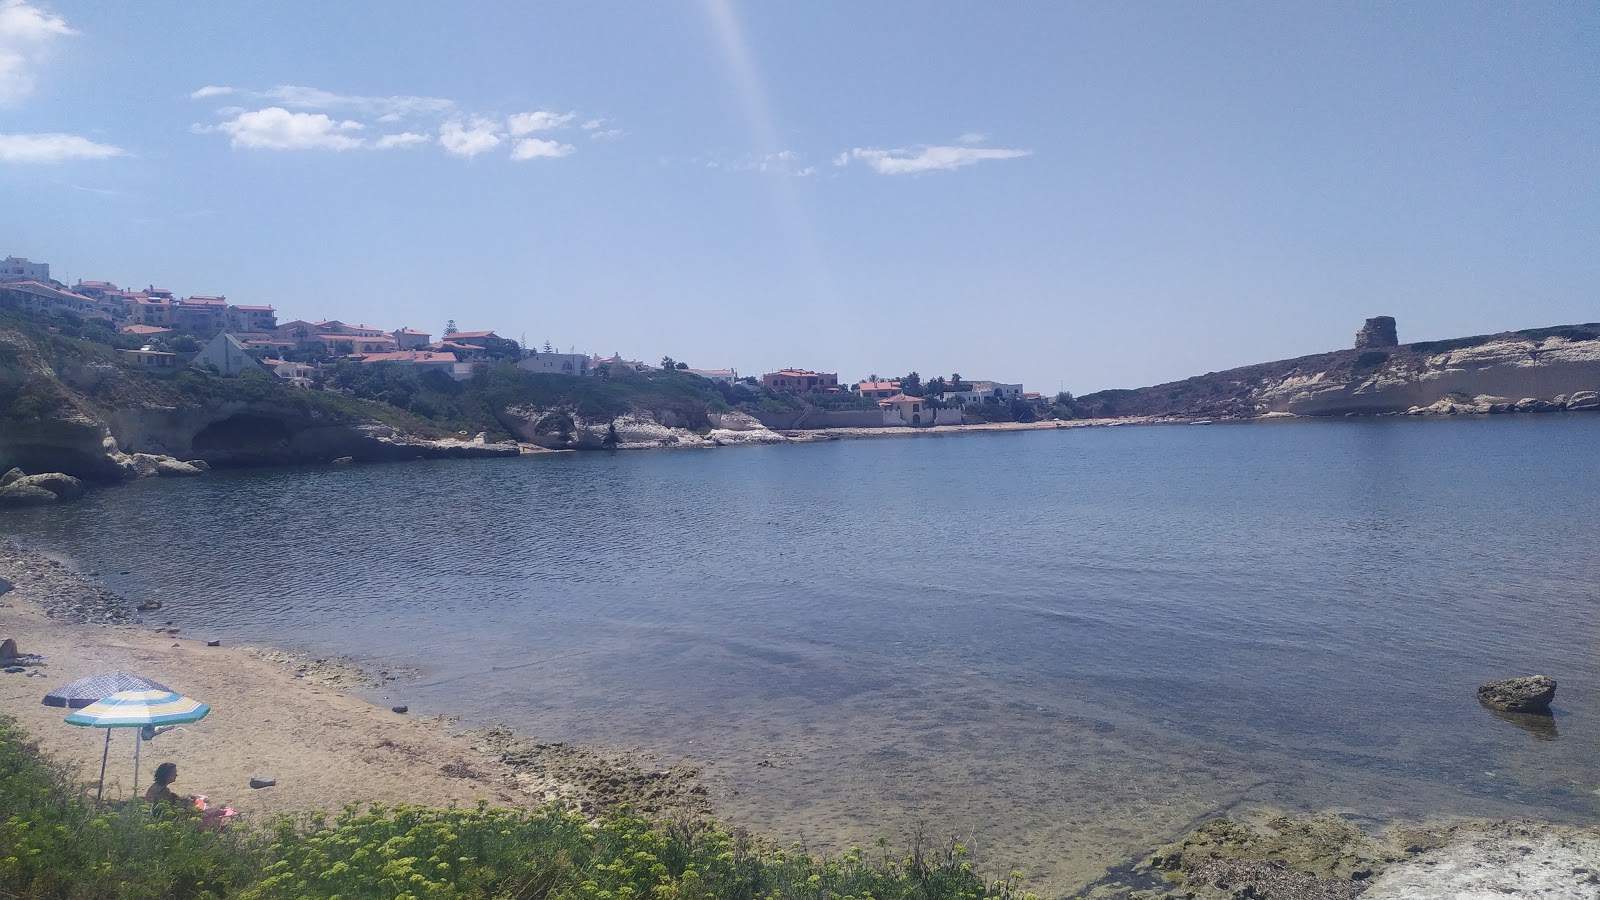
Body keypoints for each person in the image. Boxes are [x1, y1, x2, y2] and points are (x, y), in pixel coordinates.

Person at [143, 762, 232, 825]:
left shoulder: (155, 786)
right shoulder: (164, 791)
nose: (176, 775)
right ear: (167, 775)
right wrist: (186, 804)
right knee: (209, 812)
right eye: (174, 773)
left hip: (153, 817)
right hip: (166, 820)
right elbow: (171, 810)